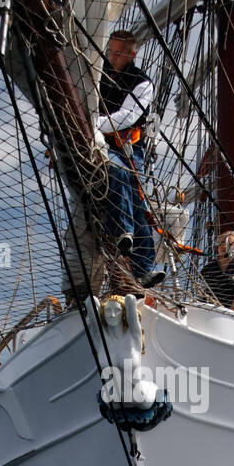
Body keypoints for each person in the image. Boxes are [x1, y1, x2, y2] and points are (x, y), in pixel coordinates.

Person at [95, 30, 164, 289]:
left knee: (138, 201)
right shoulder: (96, 71)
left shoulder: (141, 83)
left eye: (118, 53)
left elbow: (127, 116)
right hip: (102, 143)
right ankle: (124, 233)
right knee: (117, 173)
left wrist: (93, 123)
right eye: (110, 51)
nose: (111, 57)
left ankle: (143, 267)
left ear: (132, 54)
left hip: (127, 145)